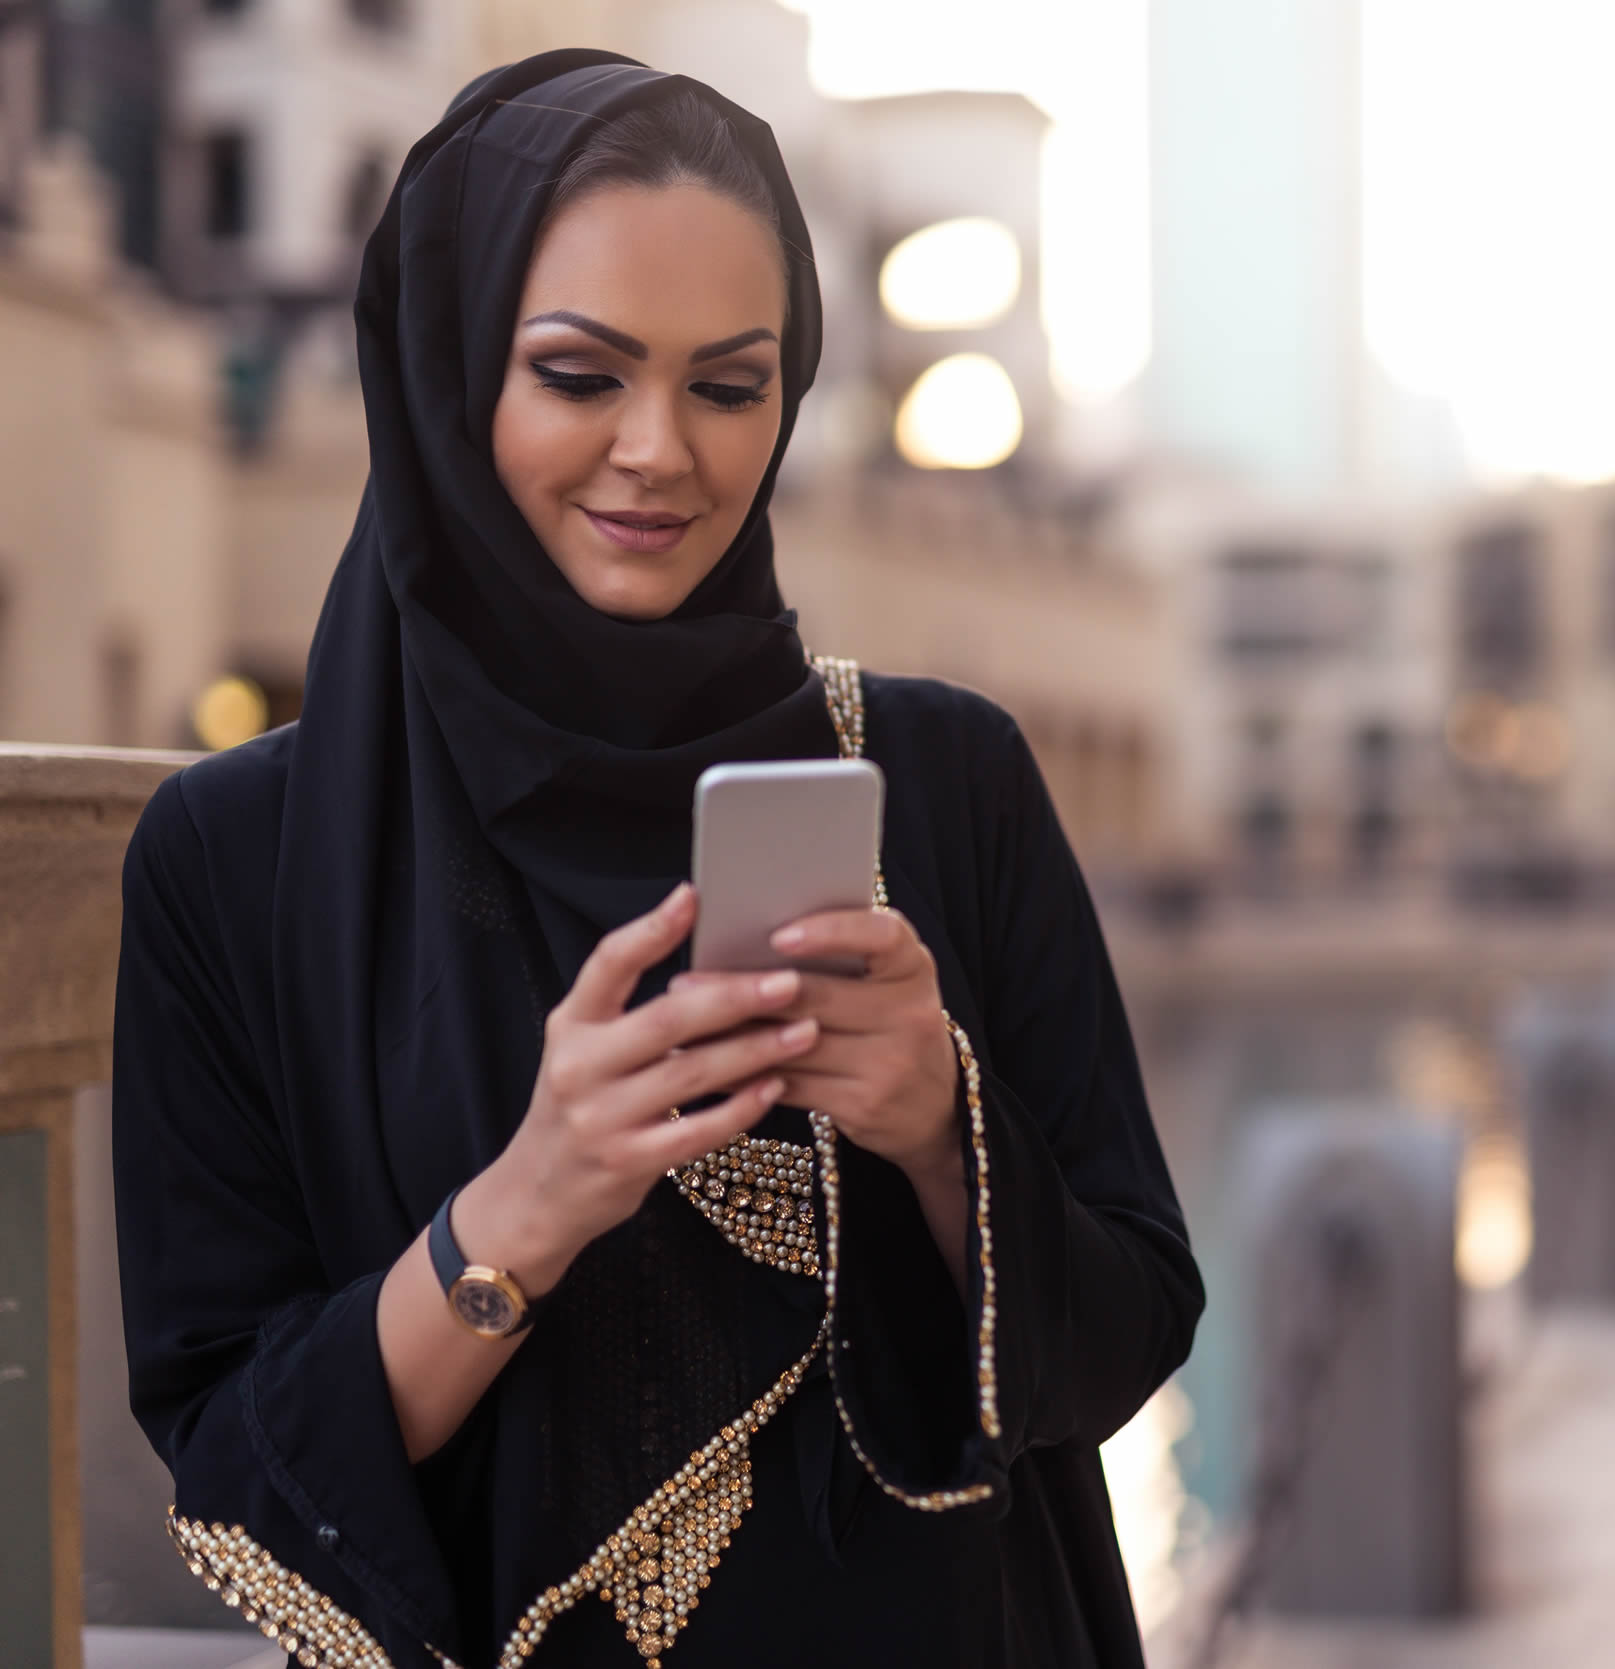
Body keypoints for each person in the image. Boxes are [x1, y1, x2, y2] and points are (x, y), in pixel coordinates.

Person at [111, 53, 1202, 1668]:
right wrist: (529, 1205)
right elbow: (231, 1454)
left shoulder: (940, 777)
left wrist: (935, 1126)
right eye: (577, 373)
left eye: (729, 383)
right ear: (446, 367)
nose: (660, 452)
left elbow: (1124, 1324)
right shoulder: (239, 856)